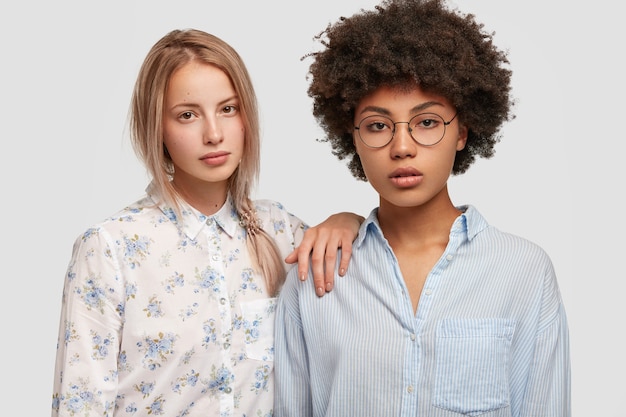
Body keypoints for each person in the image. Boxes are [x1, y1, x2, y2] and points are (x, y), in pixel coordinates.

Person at [274, 0, 571, 416]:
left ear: (463, 132)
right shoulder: (314, 276)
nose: (402, 147)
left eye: (427, 122)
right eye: (378, 125)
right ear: (353, 139)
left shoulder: (523, 272)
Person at [50, 28, 362, 417]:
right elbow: (80, 405)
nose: (214, 134)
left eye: (228, 109)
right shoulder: (110, 248)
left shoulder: (283, 231)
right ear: (157, 128)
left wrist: (349, 220)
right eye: (187, 115)